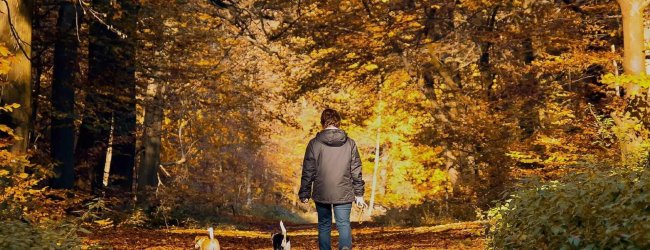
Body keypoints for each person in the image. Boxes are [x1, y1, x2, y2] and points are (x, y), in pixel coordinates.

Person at [298, 108, 366, 250]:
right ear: (338, 122)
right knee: (343, 224)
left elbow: (308, 170)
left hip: (322, 191)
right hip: (344, 191)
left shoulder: (314, 143)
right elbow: (356, 169)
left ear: (323, 122)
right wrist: (359, 194)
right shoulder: (350, 143)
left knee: (324, 225)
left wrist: (305, 192)